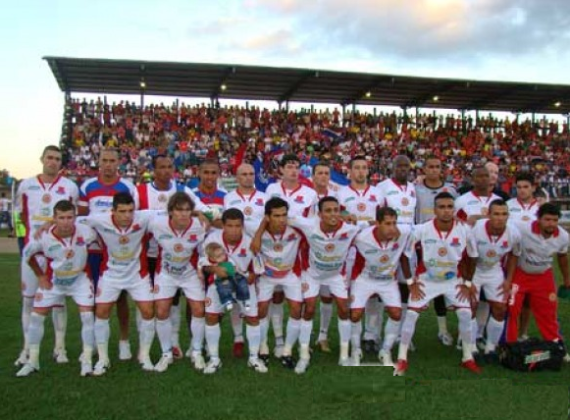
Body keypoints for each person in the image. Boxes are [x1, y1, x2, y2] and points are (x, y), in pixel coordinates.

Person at [394, 192, 481, 376]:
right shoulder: (421, 229)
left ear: (454, 209)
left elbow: (473, 257)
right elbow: (405, 255)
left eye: (449, 207)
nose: (446, 211)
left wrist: (467, 282)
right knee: (411, 314)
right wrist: (410, 282)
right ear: (434, 210)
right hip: (426, 280)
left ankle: (467, 358)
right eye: (441, 207)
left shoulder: (465, 230)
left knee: (465, 313)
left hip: (452, 280)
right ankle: (402, 358)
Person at [16, 200, 98, 377]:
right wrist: (40, 276)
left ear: (75, 217)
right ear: (54, 218)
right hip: (55, 282)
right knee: (36, 317)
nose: (66, 222)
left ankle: (87, 361)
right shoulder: (43, 236)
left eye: (69, 217)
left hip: (80, 280)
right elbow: (28, 256)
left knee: (87, 317)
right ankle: (33, 361)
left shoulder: (86, 230)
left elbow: (101, 225)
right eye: (61, 218)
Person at [14, 145, 79, 366]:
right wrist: (28, 241)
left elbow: (72, 217)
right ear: (42, 159)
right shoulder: (26, 185)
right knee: (28, 300)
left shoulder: (69, 187)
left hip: (58, 253)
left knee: (58, 301)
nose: (53, 162)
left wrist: (52, 224)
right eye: (50, 157)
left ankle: (59, 348)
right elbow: (21, 217)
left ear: (61, 163)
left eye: (57, 159)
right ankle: (26, 349)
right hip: (33, 251)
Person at [138, 155, 208, 359]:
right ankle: (155, 348)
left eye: (170, 166)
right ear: (153, 170)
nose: (166, 170)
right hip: (155, 258)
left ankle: (184, 345)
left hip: (185, 261)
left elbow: (204, 212)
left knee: (184, 304)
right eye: (162, 167)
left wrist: (201, 214)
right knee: (155, 304)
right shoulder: (141, 194)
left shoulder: (183, 191)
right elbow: (133, 218)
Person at [78, 192, 155, 375]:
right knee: (102, 312)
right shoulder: (99, 219)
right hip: (110, 274)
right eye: (122, 211)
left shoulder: (144, 217)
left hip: (138, 275)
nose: (127, 215)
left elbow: (171, 211)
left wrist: (197, 214)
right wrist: (49, 224)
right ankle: (103, 359)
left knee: (147, 311)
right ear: (112, 211)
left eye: (130, 211)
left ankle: (144, 355)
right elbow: (74, 220)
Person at [287, 196, 361, 372]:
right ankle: (303, 355)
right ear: (319, 214)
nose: (333, 214)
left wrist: (353, 217)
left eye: (336, 210)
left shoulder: (351, 228)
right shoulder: (308, 225)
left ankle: (344, 355)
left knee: (344, 309)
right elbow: (285, 218)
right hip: (312, 275)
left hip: (336, 275)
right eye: (328, 211)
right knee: (309, 309)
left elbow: (373, 225)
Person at [78, 148, 139, 361]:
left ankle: (124, 341)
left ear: (118, 163)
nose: (108, 164)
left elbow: (134, 218)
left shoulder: (127, 187)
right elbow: (82, 219)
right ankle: (96, 341)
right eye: (104, 160)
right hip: (95, 251)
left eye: (112, 160)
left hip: (118, 250)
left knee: (121, 298)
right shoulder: (88, 186)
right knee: (96, 297)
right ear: (99, 161)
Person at [201, 208, 268, 374]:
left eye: (238, 226)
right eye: (230, 226)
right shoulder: (212, 239)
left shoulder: (250, 241)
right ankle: (214, 359)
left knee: (253, 318)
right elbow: (203, 264)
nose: (234, 230)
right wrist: (214, 269)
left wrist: (253, 275)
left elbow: (258, 265)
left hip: (242, 283)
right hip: (218, 283)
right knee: (211, 317)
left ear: (242, 226)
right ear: (223, 226)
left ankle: (254, 358)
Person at [265, 155, 318, 358]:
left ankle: (301, 341)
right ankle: (279, 340)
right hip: (273, 248)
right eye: (289, 166)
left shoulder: (310, 193)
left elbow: (312, 224)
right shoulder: (271, 189)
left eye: (297, 167)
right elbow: (266, 217)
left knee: (299, 300)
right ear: (281, 170)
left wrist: (294, 222)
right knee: (276, 297)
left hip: (298, 250)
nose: (294, 171)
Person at [149, 192, 208, 373]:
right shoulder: (156, 224)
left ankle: (196, 351)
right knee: (161, 311)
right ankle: (166, 353)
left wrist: (202, 266)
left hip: (190, 274)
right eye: (179, 210)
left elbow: (204, 251)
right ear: (170, 212)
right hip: (166, 273)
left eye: (187, 210)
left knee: (199, 310)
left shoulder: (200, 225)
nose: (183, 214)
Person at [350, 207, 412, 367]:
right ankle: (356, 349)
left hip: (388, 281)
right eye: (387, 224)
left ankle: (385, 350)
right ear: (377, 223)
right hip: (364, 279)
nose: (392, 228)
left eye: (394, 223)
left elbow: (426, 228)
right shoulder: (361, 237)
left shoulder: (404, 232)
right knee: (355, 314)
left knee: (396, 313)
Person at [336, 156, 383, 355]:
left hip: (372, 249)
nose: (361, 171)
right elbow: (336, 217)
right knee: (349, 294)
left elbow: (384, 220)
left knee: (373, 294)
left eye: (364, 168)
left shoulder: (378, 193)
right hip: (349, 250)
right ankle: (351, 335)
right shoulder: (341, 193)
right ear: (350, 171)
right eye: (357, 167)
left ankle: (370, 335)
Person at [250, 197, 304, 369]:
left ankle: (287, 351)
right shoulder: (255, 228)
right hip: (266, 276)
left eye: (284, 215)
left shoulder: (297, 228)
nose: (282, 219)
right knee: (261, 310)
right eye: (277, 216)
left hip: (290, 274)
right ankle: (263, 346)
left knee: (296, 309)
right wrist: (260, 229)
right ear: (267, 217)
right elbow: (254, 247)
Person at [464, 200, 521, 361]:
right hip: (474, 270)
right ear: (488, 215)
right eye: (496, 214)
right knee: (471, 306)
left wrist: (508, 280)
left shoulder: (514, 233)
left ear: (508, 216)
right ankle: (471, 346)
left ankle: (491, 347)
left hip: (494, 269)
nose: (500, 218)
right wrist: (467, 281)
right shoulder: (476, 229)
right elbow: (466, 257)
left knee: (500, 308)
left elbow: (514, 255)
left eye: (504, 214)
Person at [505, 203, 570, 343]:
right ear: (538, 219)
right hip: (521, 273)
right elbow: (503, 223)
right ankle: (510, 344)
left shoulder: (563, 236)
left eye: (554, 220)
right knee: (512, 309)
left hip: (543, 276)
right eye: (547, 219)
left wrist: (567, 278)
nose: (551, 224)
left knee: (548, 311)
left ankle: (554, 343)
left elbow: (562, 256)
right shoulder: (523, 228)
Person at [455, 165, 501, 349]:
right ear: (473, 179)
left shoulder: (497, 200)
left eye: (486, 176)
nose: (483, 179)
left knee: (486, 300)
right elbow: (456, 225)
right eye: (479, 176)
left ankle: (480, 333)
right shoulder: (462, 201)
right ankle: (464, 337)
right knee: (469, 299)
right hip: (470, 258)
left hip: (492, 259)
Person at [376, 155, 417, 353]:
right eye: (399, 165)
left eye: (406, 166)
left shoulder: (413, 188)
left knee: (405, 285)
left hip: (408, 242)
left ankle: (401, 333)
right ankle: (374, 333)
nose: (402, 169)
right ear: (392, 167)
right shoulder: (382, 187)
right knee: (379, 285)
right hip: (389, 242)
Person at [415, 156, 457, 346]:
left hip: (446, 246)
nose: (433, 170)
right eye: (430, 166)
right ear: (423, 169)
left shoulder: (451, 190)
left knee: (442, 286)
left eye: (437, 166)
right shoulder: (415, 189)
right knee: (417, 288)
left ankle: (443, 330)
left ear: (442, 169)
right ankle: (407, 334)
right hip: (422, 244)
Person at [309, 162, 339, 353]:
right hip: (309, 253)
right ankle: (306, 336)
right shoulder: (306, 195)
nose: (323, 176)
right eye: (319, 173)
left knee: (327, 298)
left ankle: (323, 335)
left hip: (330, 253)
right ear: (313, 176)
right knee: (308, 299)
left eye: (326, 173)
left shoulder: (337, 195)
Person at [199, 243, 251, 312]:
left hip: (234, 275)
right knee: (223, 287)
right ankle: (227, 300)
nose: (222, 257)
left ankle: (246, 299)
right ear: (211, 258)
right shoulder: (208, 262)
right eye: (218, 256)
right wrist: (200, 272)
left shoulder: (229, 259)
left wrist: (243, 273)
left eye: (223, 254)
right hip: (221, 279)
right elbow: (200, 264)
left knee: (242, 283)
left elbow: (236, 268)